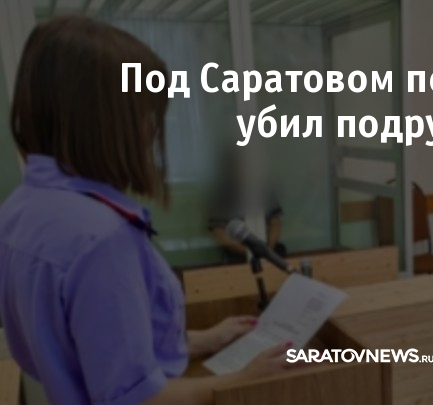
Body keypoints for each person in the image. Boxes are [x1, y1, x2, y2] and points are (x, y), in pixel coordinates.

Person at [0, 16, 292, 405]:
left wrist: (205, 339)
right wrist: (242, 381)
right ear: (105, 120)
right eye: (145, 114)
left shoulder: (20, 209)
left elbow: (90, 347)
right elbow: (136, 398)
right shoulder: (101, 239)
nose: (152, 132)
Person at [207, 150, 286, 263]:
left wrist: (268, 249)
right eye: (239, 166)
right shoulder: (223, 195)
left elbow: (275, 222)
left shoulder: (263, 189)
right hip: (238, 254)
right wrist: (248, 251)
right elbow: (219, 232)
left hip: (267, 249)